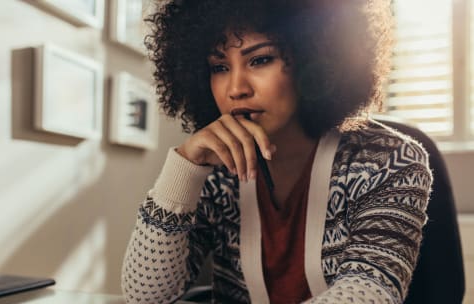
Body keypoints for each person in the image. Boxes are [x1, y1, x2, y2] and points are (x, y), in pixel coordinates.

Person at [121, 0, 433, 303]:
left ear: (314, 57)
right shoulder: (215, 172)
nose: (236, 88)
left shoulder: (388, 161)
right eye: (219, 67)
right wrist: (185, 166)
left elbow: (370, 292)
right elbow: (146, 295)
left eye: (259, 60)